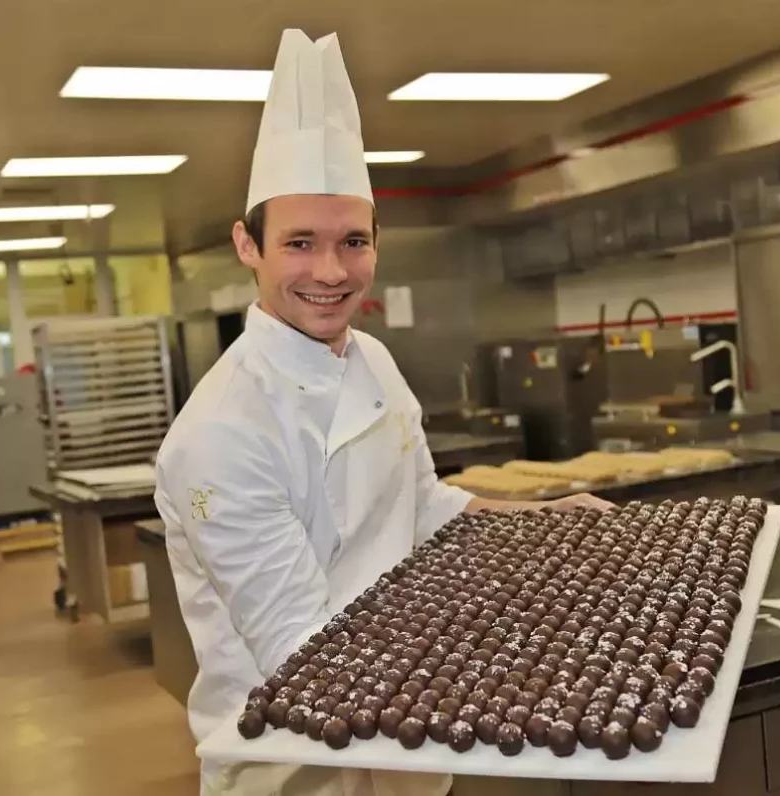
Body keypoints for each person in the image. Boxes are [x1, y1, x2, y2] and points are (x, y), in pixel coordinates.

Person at [153, 29, 612, 796]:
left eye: (352, 242)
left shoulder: (374, 363)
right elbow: (309, 658)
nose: (330, 272)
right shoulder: (220, 435)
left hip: (408, 744)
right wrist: (521, 649)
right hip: (293, 764)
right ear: (247, 246)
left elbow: (421, 506)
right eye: (299, 242)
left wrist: (539, 520)